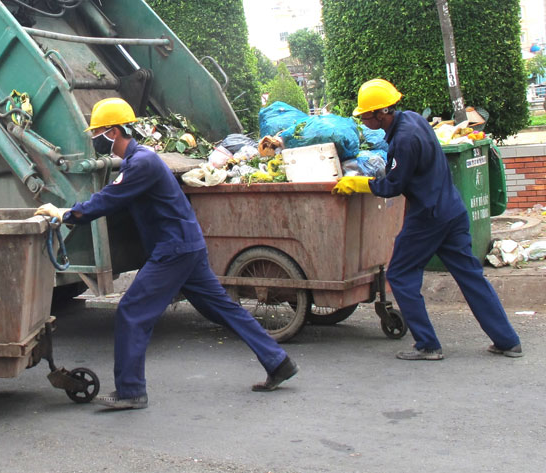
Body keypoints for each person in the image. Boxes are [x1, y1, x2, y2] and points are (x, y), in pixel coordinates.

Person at [35, 98, 298, 410]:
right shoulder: (140, 159)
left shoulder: (140, 163)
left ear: (115, 132)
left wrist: (64, 213)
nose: (95, 139)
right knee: (222, 309)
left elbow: (106, 200)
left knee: (132, 311)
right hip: (186, 244)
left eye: (99, 133)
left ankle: (131, 391)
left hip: (174, 249)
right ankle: (278, 361)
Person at [333, 79, 522, 360]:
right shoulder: (412, 120)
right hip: (452, 210)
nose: (363, 120)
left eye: (365, 115)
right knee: (471, 276)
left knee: (399, 274)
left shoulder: (404, 139)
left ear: (382, 113)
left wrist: (358, 183)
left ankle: (427, 345)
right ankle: (508, 341)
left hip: (428, 217)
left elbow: (392, 186)